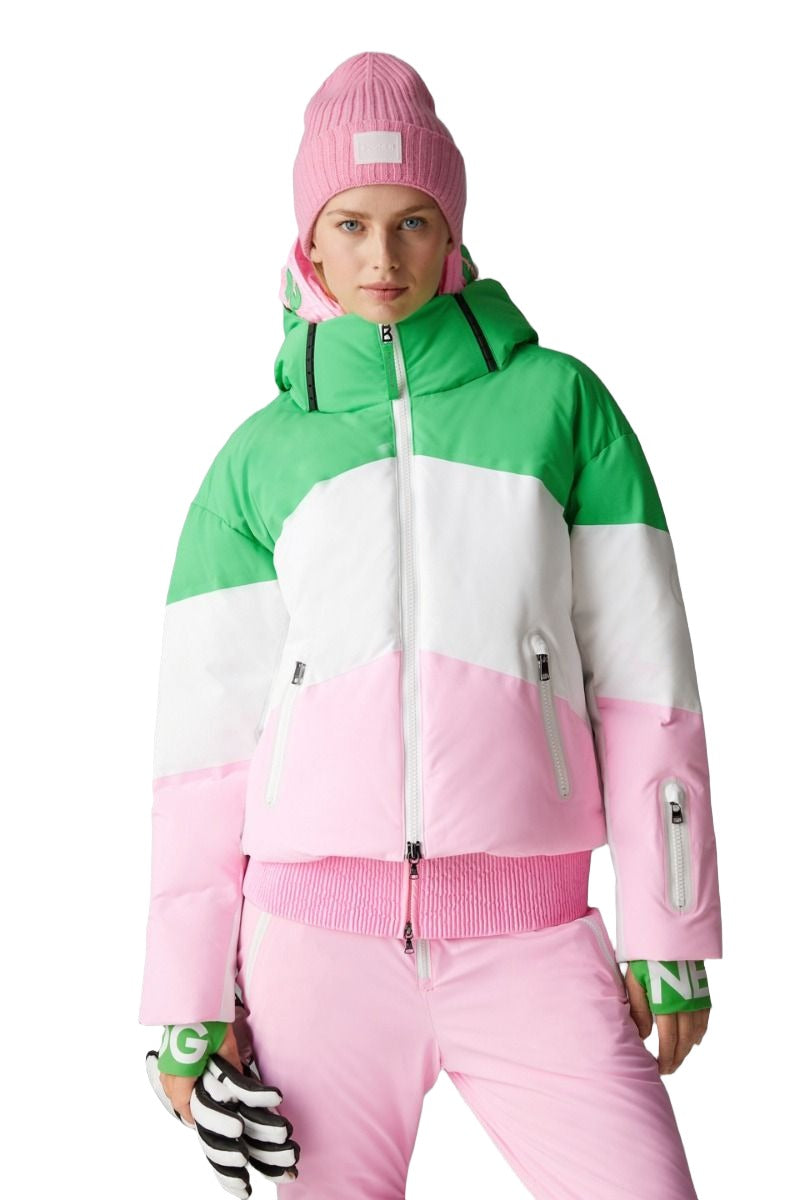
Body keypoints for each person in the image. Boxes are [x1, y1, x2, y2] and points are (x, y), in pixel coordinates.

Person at [139, 50, 722, 1198]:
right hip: (313, 952)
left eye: (410, 223)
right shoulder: (257, 460)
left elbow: (645, 680)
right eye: (349, 225)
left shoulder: (558, 405)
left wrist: (671, 924)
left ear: (450, 232)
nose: (381, 258)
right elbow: (203, 755)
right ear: (308, 245)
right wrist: (187, 998)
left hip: (530, 937)